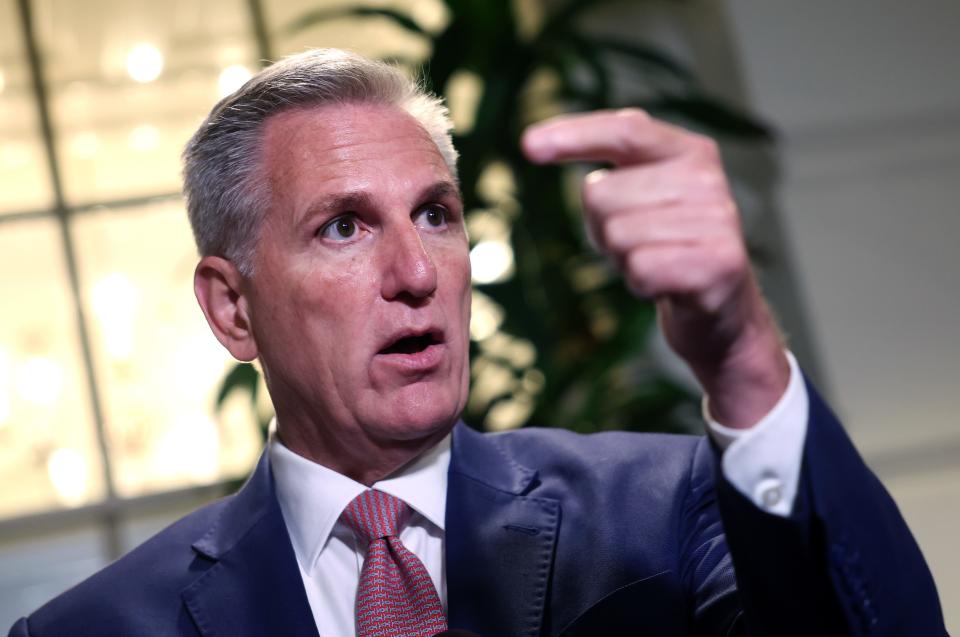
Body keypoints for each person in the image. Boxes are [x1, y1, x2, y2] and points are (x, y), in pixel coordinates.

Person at [8, 49, 945, 637]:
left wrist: (741, 353)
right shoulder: (90, 627)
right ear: (232, 310)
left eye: (436, 213)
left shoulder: (666, 508)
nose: (417, 270)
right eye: (344, 225)